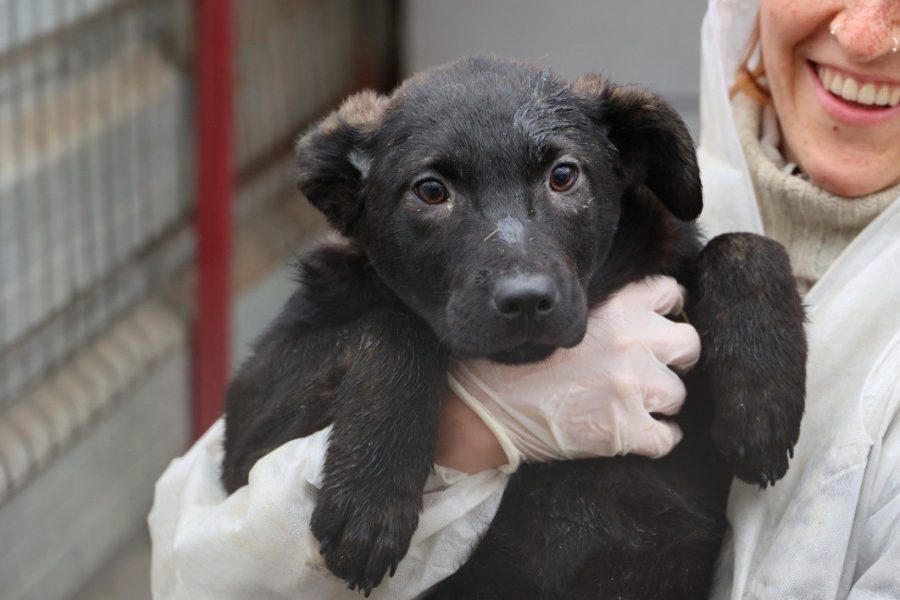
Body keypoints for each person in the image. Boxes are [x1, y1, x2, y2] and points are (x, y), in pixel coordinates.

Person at [148, 0, 900, 597]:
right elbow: (206, 535)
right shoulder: (357, 291)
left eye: (561, 178)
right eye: (434, 191)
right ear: (353, 199)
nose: (521, 275)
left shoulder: (690, 250)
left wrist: (748, 275)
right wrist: (440, 403)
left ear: (623, 170)